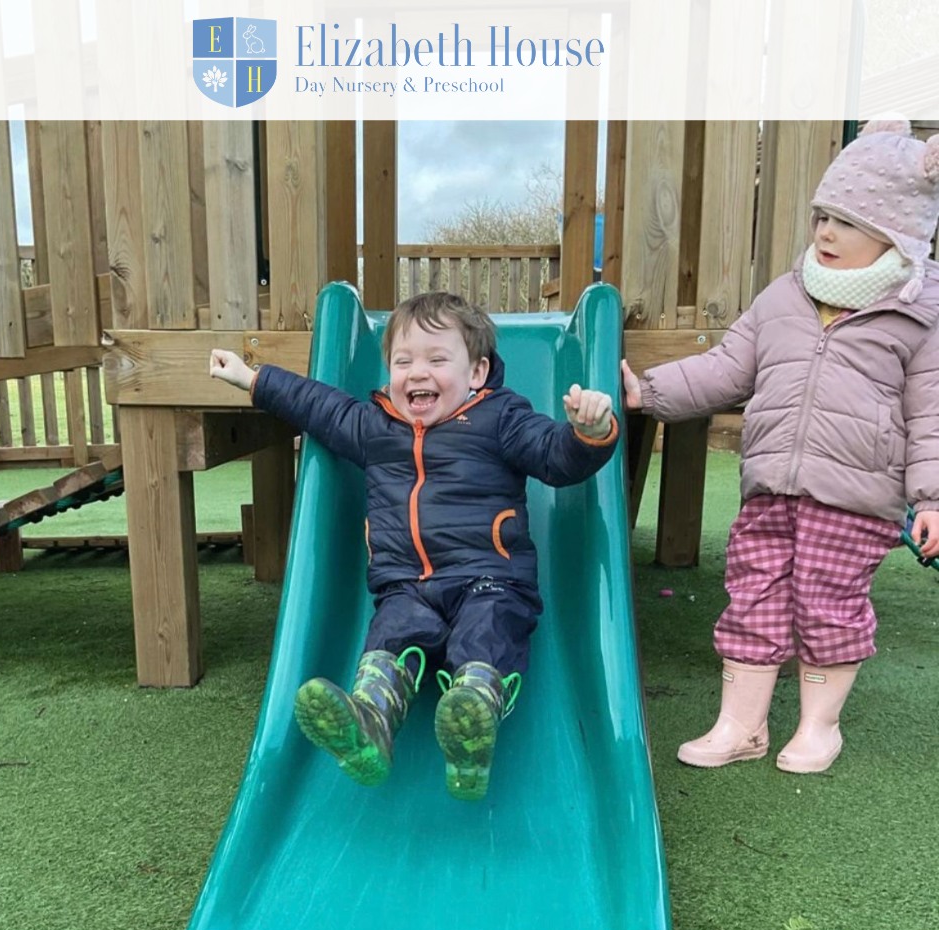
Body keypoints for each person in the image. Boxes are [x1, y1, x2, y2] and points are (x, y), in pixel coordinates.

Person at [621, 118, 939, 775]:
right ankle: (741, 725)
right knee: (753, 597)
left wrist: (931, 496)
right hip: (770, 487)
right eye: (823, 215)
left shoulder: (919, 312)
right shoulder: (785, 297)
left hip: (856, 497)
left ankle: (819, 728)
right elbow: (723, 369)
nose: (825, 232)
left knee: (827, 605)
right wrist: (646, 393)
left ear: (898, 234)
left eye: (848, 222)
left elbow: (931, 412)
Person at [211, 290, 618, 800]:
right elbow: (319, 407)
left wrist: (589, 432)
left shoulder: (501, 419)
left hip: (490, 576)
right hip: (406, 586)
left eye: (436, 359)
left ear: (476, 372)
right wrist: (253, 379)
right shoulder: (375, 427)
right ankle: (370, 727)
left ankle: (474, 716)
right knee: (391, 639)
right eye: (402, 361)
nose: (416, 372)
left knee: (486, 630)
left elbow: (554, 457)